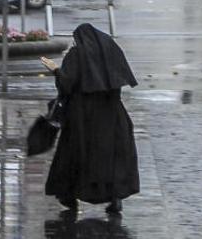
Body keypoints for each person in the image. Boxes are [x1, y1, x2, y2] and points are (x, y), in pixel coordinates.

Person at [39, 24, 139, 215]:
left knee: (76, 155)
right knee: (112, 158)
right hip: (113, 115)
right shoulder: (111, 52)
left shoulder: (77, 55)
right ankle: (115, 196)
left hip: (82, 116)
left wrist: (55, 69)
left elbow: (67, 84)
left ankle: (69, 196)